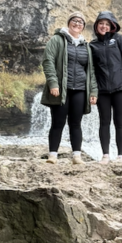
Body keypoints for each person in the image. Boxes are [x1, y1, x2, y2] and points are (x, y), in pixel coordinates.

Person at [41, 13, 98, 163]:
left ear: (83, 26)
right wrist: (53, 83)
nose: (77, 24)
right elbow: (48, 61)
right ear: (69, 23)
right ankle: (53, 155)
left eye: (81, 22)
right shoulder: (57, 40)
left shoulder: (86, 46)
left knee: (76, 123)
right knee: (58, 122)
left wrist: (93, 91)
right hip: (61, 89)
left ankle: (77, 156)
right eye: (74, 21)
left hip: (80, 89)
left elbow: (91, 71)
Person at [90, 11, 122, 163]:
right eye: (101, 23)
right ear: (96, 26)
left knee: (119, 122)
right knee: (104, 122)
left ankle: (121, 155)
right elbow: (91, 70)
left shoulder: (118, 39)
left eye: (107, 24)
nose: (104, 26)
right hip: (102, 91)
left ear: (112, 26)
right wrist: (93, 91)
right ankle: (105, 155)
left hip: (120, 88)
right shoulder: (93, 45)